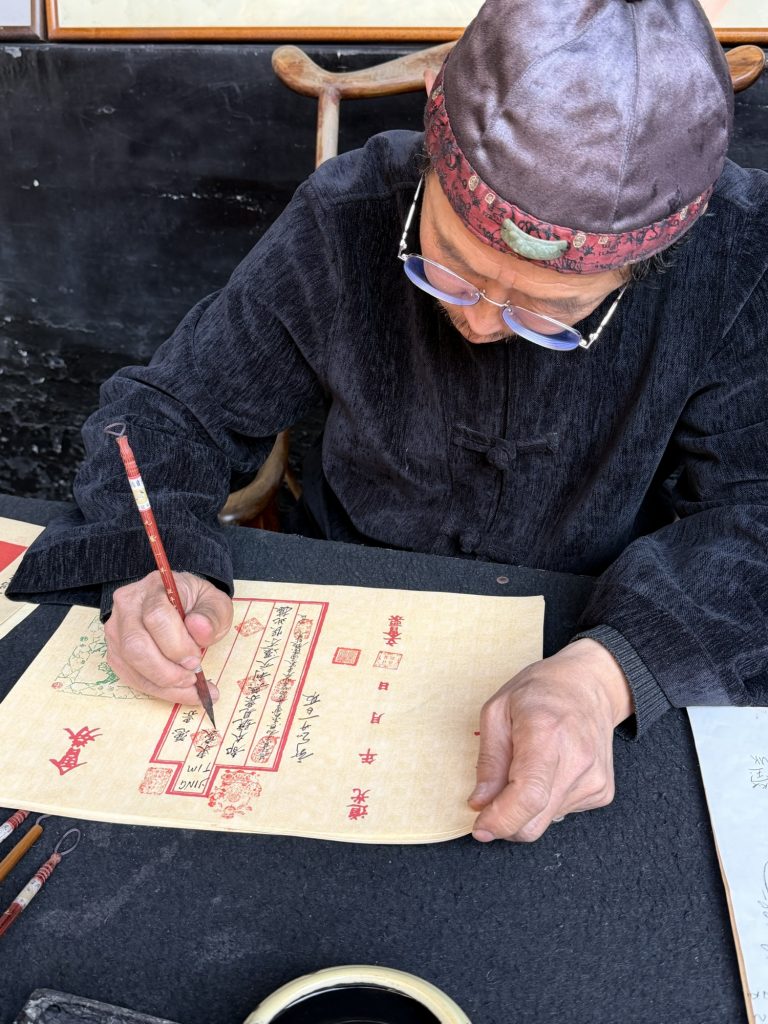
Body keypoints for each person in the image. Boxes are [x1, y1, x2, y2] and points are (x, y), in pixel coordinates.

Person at [9, 0, 768, 844]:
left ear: (649, 263)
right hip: (349, 597)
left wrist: (607, 674)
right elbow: (173, 409)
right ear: (432, 167)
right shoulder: (350, 214)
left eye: (550, 313)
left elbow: (756, 513)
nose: (478, 323)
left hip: (594, 617)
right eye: (451, 267)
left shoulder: (737, 257)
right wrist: (152, 564)